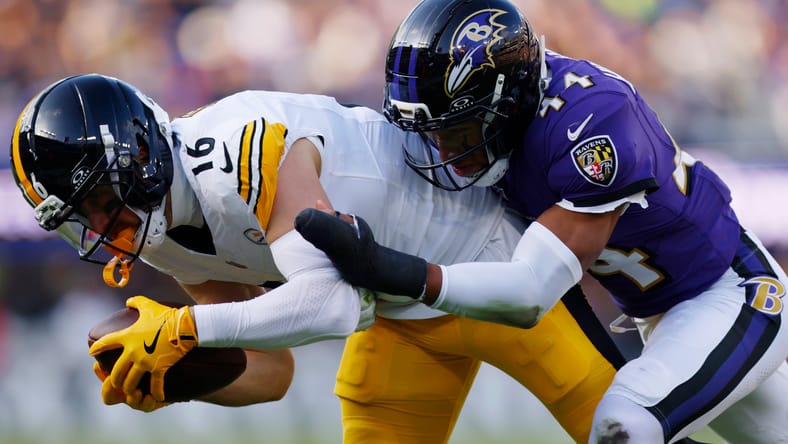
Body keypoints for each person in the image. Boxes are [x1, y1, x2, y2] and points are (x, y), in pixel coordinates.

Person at [10, 73, 625, 442]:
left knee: (627, 431)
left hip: (487, 268)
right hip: (403, 320)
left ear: (139, 157)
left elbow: (332, 303)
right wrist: (182, 374)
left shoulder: (237, 153)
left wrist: (187, 327)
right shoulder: (166, 234)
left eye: (97, 199)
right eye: (77, 216)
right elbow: (270, 373)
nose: (97, 226)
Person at [293, 0, 788, 443]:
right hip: (657, 311)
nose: (443, 152)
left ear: (508, 101)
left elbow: (530, 293)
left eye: (458, 130)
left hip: (727, 294)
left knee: (626, 423)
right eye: (431, 132)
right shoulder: (509, 125)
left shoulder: (591, 123)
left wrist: (393, 270)